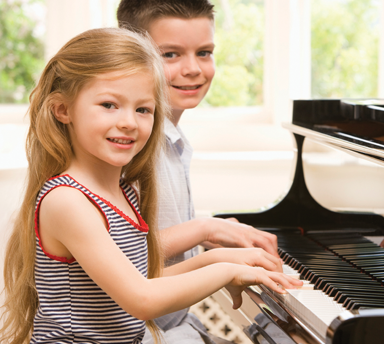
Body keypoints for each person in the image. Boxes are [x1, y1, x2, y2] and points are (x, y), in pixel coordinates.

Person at [0, 28, 301, 344]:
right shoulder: (67, 200)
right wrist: (226, 273)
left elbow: (142, 279)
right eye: (109, 104)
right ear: (62, 109)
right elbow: (142, 299)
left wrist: (219, 260)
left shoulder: (123, 191)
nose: (130, 121)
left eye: (143, 109)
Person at [116, 1, 284, 343]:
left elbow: (154, 229)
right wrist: (205, 229)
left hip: (169, 324)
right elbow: (126, 251)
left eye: (204, 52)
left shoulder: (171, 139)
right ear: (129, 53)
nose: (193, 68)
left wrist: (210, 233)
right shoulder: (127, 146)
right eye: (171, 54)